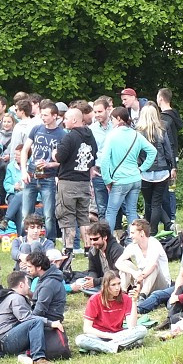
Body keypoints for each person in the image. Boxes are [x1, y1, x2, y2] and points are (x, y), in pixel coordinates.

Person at [99, 106, 157, 238]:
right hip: (135, 179)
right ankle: (133, 240)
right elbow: (152, 151)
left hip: (119, 180)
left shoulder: (112, 136)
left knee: (111, 212)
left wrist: (107, 180)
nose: (111, 122)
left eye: (112, 119)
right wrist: (142, 168)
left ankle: (107, 240)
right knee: (132, 211)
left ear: (119, 119)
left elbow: (104, 161)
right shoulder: (136, 134)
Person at [136, 224, 183, 314]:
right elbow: (182, 275)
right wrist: (175, 292)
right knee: (157, 294)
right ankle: (138, 309)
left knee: (171, 306)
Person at [54, 108, 97, 253]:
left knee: (67, 216)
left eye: (66, 118)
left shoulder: (70, 137)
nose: (64, 121)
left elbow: (60, 157)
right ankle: (88, 248)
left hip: (68, 182)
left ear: (74, 120)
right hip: (84, 181)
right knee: (83, 216)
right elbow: (93, 158)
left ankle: (68, 248)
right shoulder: (90, 136)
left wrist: (54, 153)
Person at [21, 100, 66, 241]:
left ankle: (50, 241)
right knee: (26, 212)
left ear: (55, 116)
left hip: (49, 177)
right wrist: (23, 170)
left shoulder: (62, 134)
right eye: (42, 114)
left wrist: (50, 164)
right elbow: (25, 150)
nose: (43, 117)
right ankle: (24, 239)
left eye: (46, 115)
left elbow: (63, 161)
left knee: (48, 214)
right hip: (32, 174)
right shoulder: (36, 129)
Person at [75, 272, 148, 354]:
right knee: (80, 339)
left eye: (119, 284)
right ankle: (118, 346)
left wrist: (134, 302)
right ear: (106, 286)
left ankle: (103, 347)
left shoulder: (126, 298)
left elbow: (132, 326)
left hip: (119, 334)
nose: (117, 288)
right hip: (99, 335)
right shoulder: (94, 299)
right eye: (113, 285)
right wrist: (110, 336)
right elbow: (87, 328)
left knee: (142, 330)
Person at [0, 271, 56, 364]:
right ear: (21, 285)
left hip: (5, 339)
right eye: (27, 283)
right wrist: (50, 323)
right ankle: (39, 359)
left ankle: (25, 355)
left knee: (38, 324)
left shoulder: (10, 296)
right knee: (36, 322)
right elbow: (27, 319)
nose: (29, 286)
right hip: (6, 340)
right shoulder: (16, 298)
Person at [137, 104, 176, 234]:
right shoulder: (162, 130)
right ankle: (154, 230)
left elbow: (136, 153)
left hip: (144, 172)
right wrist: (172, 167)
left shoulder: (138, 132)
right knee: (156, 203)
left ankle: (151, 231)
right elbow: (168, 151)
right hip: (162, 171)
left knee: (148, 203)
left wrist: (138, 167)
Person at [114, 219, 171, 297]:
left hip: (160, 284)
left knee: (154, 266)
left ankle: (142, 296)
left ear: (142, 233)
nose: (130, 236)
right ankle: (122, 294)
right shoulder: (132, 246)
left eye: (133, 233)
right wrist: (133, 272)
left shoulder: (154, 243)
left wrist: (140, 277)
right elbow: (118, 263)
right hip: (142, 281)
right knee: (126, 264)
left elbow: (152, 265)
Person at [74, 220, 125, 293]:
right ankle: (102, 292)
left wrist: (96, 281)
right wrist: (91, 279)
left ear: (105, 237)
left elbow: (118, 273)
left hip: (116, 282)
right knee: (80, 282)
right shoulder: (93, 250)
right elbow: (92, 270)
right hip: (102, 282)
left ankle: (103, 293)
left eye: (95, 239)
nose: (92, 242)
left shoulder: (117, 250)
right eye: (90, 239)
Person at [28, 250, 66, 324]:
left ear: (39, 267)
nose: (27, 270)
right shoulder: (45, 277)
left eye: (29, 267)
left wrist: (26, 320)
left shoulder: (48, 285)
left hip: (49, 320)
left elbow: (40, 310)